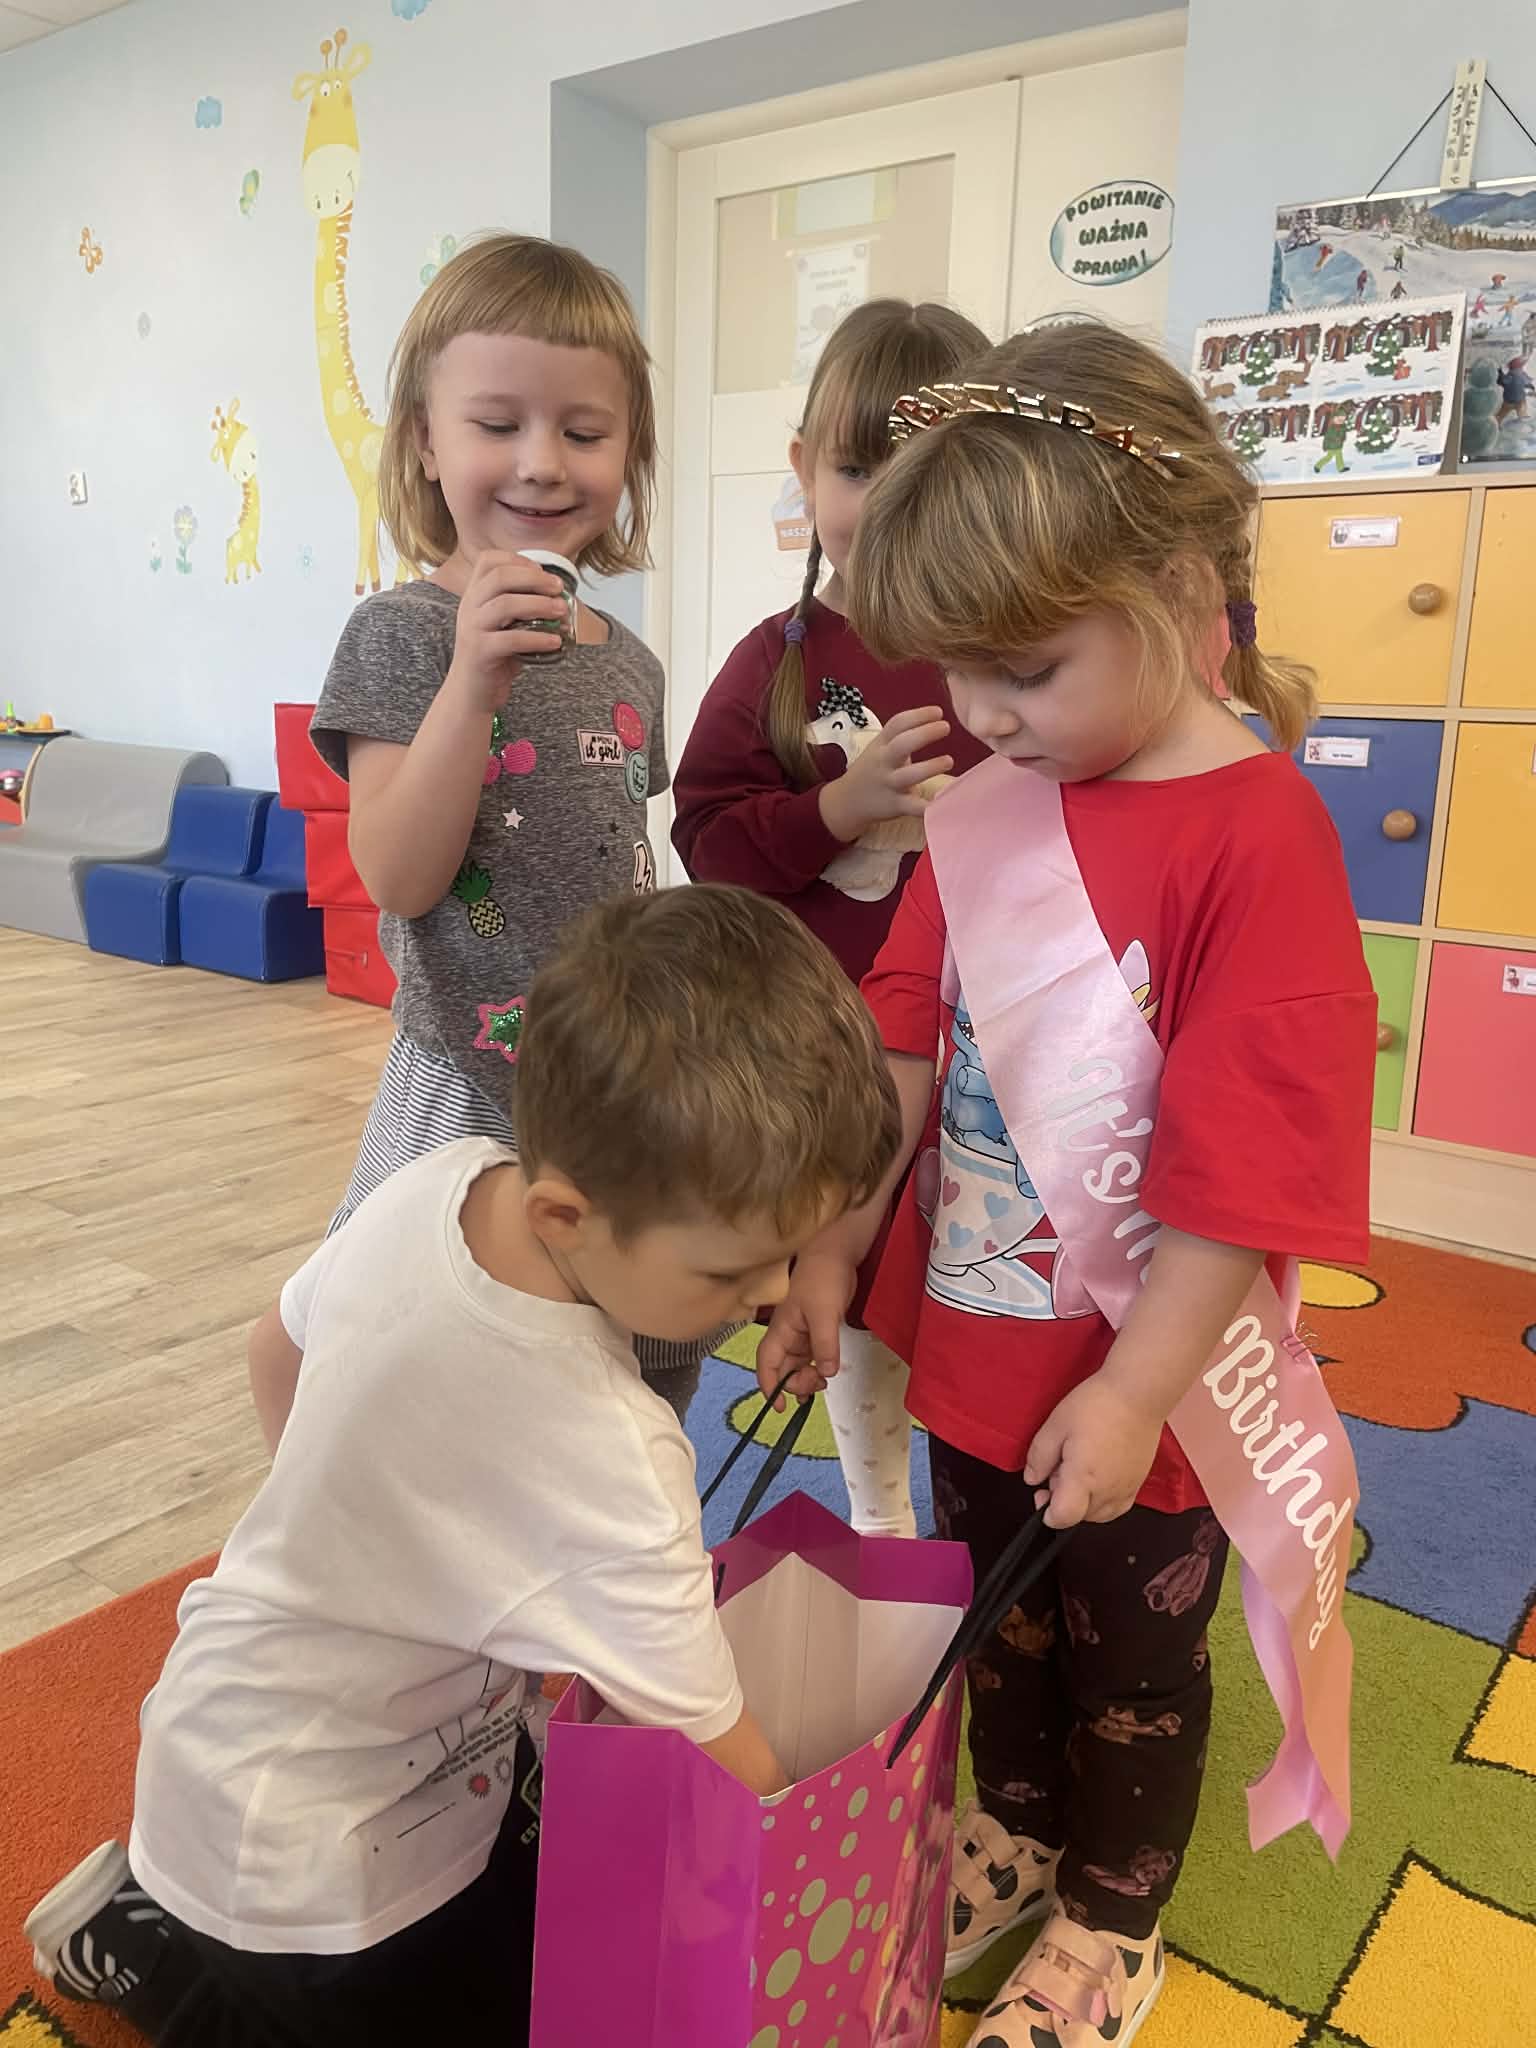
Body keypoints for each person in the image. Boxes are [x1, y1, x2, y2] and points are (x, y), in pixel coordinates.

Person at [757, 323, 1375, 2047]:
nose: (979, 715)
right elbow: (903, 1035)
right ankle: (1018, 1835)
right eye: (959, 669)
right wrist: (832, 1245)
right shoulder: (998, 790)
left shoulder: (1259, 834)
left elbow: (1247, 1177)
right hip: (966, 1342)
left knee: (1132, 1674)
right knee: (1000, 1630)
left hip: (1144, 1386)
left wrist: (1133, 1391)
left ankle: (1111, 1920)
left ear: (1175, 593)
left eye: (1023, 667)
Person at [25, 885, 903, 2048]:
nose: (769, 1296)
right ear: (567, 1213)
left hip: (237, 1736)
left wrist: (360, 1533)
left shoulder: (440, 1179)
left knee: (521, 1947)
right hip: (316, 1870)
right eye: (730, 1270)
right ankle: (158, 1953)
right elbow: (714, 1737)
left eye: (787, 1256)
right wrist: (858, 1841)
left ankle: (159, 1915)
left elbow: (273, 1349)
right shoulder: (610, 1444)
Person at [247, 232, 708, 1438]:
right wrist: (471, 683)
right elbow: (398, 875)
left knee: (632, 1348)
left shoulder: (631, 661)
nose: (542, 462)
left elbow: (625, 859)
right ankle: (358, 1527)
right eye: (498, 424)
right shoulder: (401, 636)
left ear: (629, 453)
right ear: (424, 441)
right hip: (462, 1071)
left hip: (614, 1072)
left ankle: (615, 1520)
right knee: (377, 1337)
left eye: (585, 431)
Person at [671, 297, 989, 1538]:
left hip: (985, 1061)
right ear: (805, 470)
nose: (891, 504)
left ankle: (976, 1502)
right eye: (860, 469)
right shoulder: (779, 659)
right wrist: (839, 807)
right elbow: (708, 840)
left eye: (928, 473)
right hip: (831, 1060)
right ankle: (877, 1513)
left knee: (967, 1280)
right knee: (839, 1287)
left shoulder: (1014, 659)